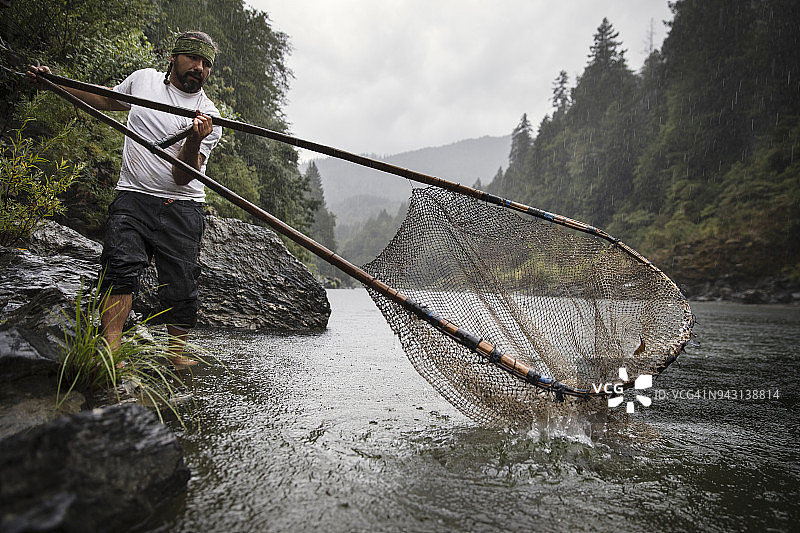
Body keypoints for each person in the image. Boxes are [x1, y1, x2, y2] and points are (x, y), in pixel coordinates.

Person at [27, 31, 223, 368]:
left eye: (206, 64)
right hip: (133, 197)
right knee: (120, 269)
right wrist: (54, 84)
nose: (199, 67)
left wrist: (193, 140)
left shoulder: (210, 115)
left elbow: (182, 176)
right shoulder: (143, 82)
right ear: (174, 57)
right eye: (193, 58)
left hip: (183, 205)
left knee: (180, 283)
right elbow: (103, 99)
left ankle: (175, 356)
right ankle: (111, 354)